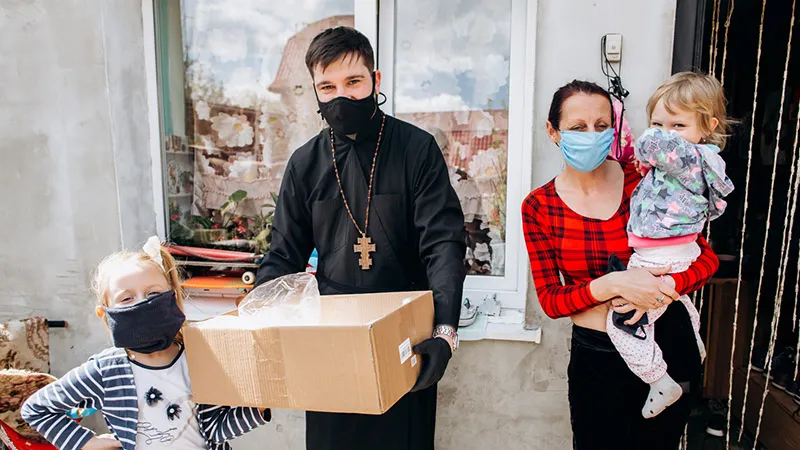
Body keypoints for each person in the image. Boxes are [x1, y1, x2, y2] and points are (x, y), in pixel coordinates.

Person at [255, 27, 466, 450]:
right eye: (327, 87)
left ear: (376, 80)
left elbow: (443, 244)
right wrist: (256, 329)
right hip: (330, 341)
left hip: (405, 336)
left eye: (353, 82)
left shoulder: (416, 150)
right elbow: (283, 255)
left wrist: (445, 330)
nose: (341, 97)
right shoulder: (304, 164)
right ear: (315, 91)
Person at [521, 80, 719, 449]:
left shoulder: (644, 181)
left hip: (667, 342)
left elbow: (705, 260)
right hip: (596, 356)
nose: (591, 135)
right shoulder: (539, 206)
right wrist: (615, 285)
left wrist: (668, 287)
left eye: (601, 126)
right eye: (577, 127)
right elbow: (551, 300)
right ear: (553, 131)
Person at [22, 237, 270, 450]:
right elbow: (36, 409)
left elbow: (214, 429)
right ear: (105, 315)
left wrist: (259, 408)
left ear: (172, 297)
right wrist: (86, 442)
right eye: (127, 298)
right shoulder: (105, 371)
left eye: (153, 294)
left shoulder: (199, 358)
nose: (142, 303)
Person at [608, 72, 734, 419]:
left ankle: (659, 380)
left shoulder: (691, 157)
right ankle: (694, 344)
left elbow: (653, 145)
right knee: (673, 301)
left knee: (622, 322)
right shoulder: (685, 161)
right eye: (658, 123)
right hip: (671, 251)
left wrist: (649, 138)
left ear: (708, 127)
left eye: (678, 125)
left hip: (661, 254)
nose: (665, 133)